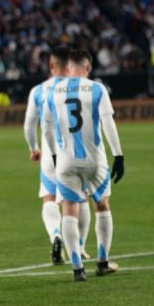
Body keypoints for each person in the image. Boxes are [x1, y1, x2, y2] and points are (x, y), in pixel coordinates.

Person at [42, 49, 124, 281]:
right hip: (94, 159)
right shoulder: (97, 89)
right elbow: (108, 123)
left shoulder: (53, 91)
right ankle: (102, 262)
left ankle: (77, 269)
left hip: (65, 160)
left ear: (68, 69)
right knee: (102, 205)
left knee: (69, 210)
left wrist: (55, 155)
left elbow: (46, 128)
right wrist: (118, 155)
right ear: (87, 67)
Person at [24, 47, 93, 265]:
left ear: (52, 65)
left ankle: (55, 234)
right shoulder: (83, 87)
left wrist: (34, 147)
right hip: (77, 150)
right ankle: (79, 247)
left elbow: (29, 125)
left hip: (50, 152)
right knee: (81, 198)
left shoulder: (39, 91)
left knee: (49, 197)